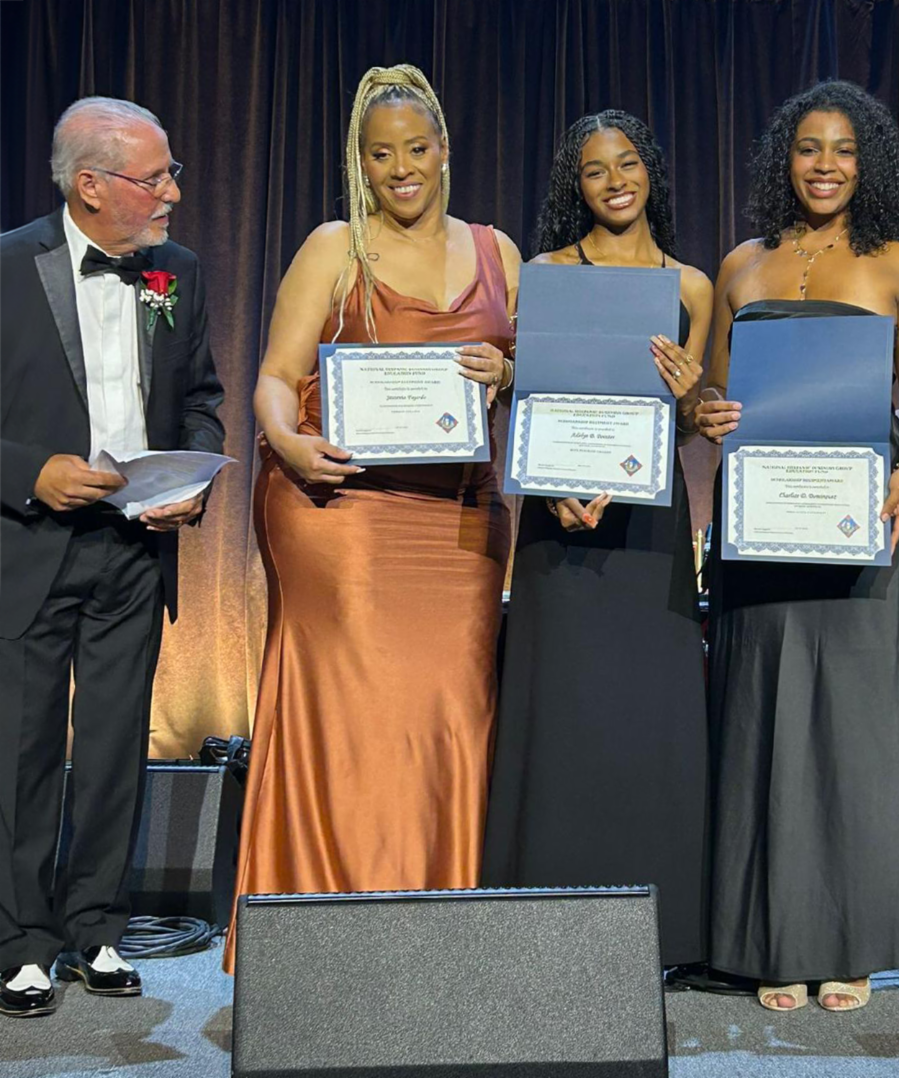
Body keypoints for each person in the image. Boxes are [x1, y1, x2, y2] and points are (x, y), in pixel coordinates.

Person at [224, 65, 520, 971]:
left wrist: (509, 375)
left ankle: (442, 934)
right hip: (338, 508)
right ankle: (324, 944)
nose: (402, 168)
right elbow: (275, 377)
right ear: (362, 161)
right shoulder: (333, 247)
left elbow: (541, 377)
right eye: (381, 153)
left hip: (458, 522)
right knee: (351, 711)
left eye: (417, 149)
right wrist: (288, 444)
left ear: (445, 151)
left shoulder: (499, 251)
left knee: (450, 712)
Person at [695, 80, 899, 1012]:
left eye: (843, 149)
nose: (826, 165)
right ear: (784, 160)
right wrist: (702, 408)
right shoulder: (741, 266)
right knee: (761, 715)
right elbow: (712, 402)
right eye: (809, 148)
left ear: (866, 160)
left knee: (854, 724)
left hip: (862, 513)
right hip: (761, 522)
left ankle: (849, 938)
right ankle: (772, 937)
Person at [0, 97, 225, 1016]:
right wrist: (31, 472)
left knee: (113, 748)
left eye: (170, 173)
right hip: (32, 543)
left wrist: (195, 479)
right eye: (154, 177)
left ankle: (96, 926)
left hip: (136, 545)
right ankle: (20, 940)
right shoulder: (10, 266)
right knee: (19, 749)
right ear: (89, 186)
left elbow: (202, 396)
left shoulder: (178, 272)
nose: (173, 191)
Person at [481, 111, 712, 968]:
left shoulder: (691, 286)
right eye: (592, 170)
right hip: (557, 521)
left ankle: (660, 933)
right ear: (571, 187)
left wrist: (692, 398)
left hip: (649, 523)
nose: (613, 180)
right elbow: (522, 395)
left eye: (626, 164)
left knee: (645, 720)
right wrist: (552, 486)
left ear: (650, 169)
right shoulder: (543, 274)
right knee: (563, 715)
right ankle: (542, 929)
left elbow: (691, 426)